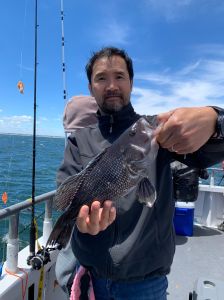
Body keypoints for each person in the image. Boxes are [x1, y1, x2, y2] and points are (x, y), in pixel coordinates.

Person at [55, 46, 224, 300]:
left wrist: (215, 121)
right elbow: (65, 192)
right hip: (92, 279)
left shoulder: (156, 131)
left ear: (132, 83)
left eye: (120, 76)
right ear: (91, 88)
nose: (111, 85)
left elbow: (209, 151)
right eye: (101, 78)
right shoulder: (79, 140)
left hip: (146, 285)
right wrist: (82, 225)